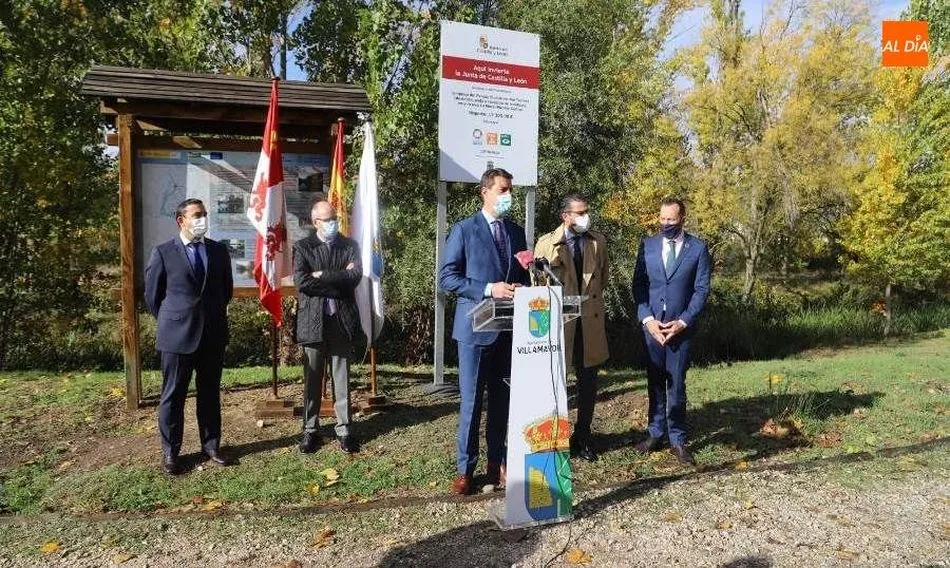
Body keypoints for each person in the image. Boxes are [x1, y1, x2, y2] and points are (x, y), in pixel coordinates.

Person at [438, 167, 531, 495]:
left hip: (507, 330)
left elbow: (523, 276)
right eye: (503, 190)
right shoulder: (464, 230)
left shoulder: (516, 232)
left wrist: (524, 288)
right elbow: (447, 278)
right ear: (485, 192)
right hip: (474, 332)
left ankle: (496, 463)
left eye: (511, 191)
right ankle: (465, 470)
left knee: (502, 401)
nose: (509, 196)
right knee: (472, 402)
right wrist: (490, 289)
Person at [145, 198, 234, 475]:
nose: (202, 219)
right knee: (173, 395)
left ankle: (211, 445)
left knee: (209, 393)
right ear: (181, 220)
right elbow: (153, 297)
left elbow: (226, 291)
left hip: (212, 334)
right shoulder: (163, 252)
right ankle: (171, 452)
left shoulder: (218, 251)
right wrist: (175, 319)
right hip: (177, 336)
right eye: (196, 215)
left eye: (204, 214)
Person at [631, 198, 711, 465]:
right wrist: (647, 320)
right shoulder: (647, 245)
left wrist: (684, 321)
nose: (665, 224)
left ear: (682, 219)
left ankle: (677, 439)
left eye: (671, 220)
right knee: (654, 381)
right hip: (653, 327)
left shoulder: (697, 248)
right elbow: (639, 286)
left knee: (676, 384)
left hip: (680, 329)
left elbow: (701, 290)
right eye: (662, 219)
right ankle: (655, 433)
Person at [533, 193, 609, 462]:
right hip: (560, 324)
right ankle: (556, 437)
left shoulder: (597, 242)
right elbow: (537, 284)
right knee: (557, 381)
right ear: (565, 216)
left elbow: (603, 278)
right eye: (580, 212)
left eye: (587, 211)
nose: (586, 216)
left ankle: (584, 436)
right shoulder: (546, 243)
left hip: (589, 321)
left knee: (589, 382)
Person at [294, 199, 363, 455]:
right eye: (328, 219)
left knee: (341, 377)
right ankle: (310, 429)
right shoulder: (303, 247)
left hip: (341, 320)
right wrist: (337, 281)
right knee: (312, 378)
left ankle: (344, 430)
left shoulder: (350, 245)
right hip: (313, 321)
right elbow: (302, 282)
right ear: (316, 222)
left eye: (335, 218)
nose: (333, 223)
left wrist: (322, 275)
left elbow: (354, 277)